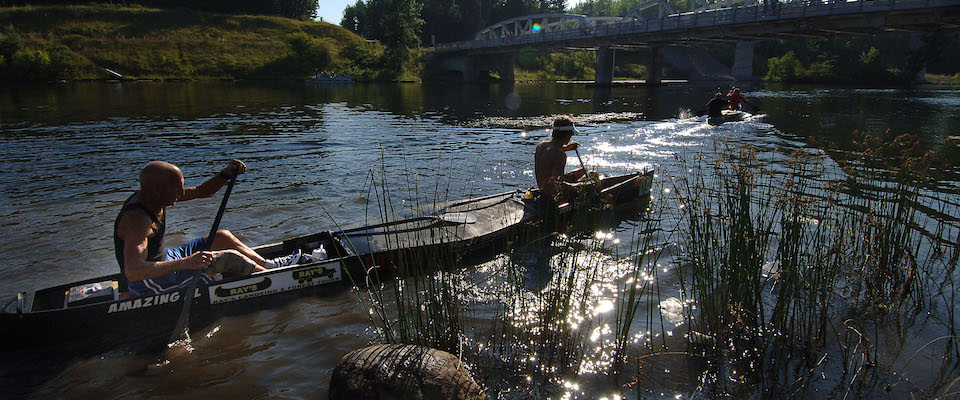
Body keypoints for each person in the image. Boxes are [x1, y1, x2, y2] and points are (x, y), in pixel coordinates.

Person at [113, 160, 301, 296]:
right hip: (150, 282)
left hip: (166, 259)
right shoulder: (137, 221)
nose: (181, 193)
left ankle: (270, 266)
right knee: (228, 258)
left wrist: (225, 175)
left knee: (221, 237)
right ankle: (275, 279)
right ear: (157, 190)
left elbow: (201, 191)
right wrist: (187, 262)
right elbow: (133, 271)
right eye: (177, 188)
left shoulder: (156, 196)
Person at [535, 116, 587, 202]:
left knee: (582, 171)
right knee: (592, 176)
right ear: (567, 135)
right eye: (571, 134)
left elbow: (551, 153)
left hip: (542, 190)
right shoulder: (560, 155)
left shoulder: (541, 146)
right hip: (552, 197)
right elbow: (559, 185)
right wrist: (578, 187)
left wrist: (567, 148)